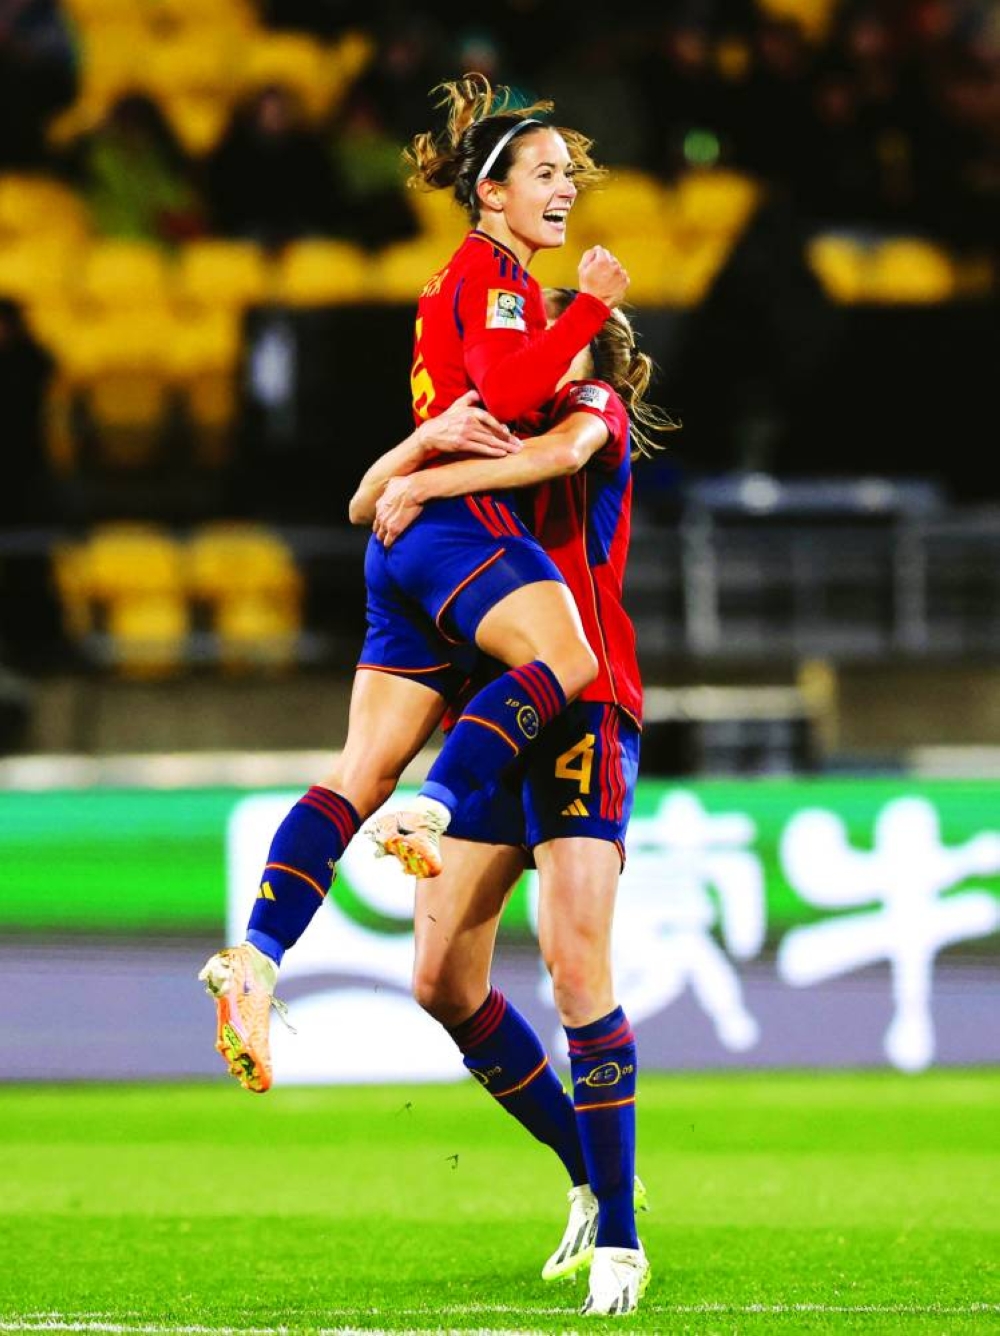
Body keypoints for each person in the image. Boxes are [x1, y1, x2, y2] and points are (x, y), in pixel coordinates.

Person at [199, 73, 627, 1095]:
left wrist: (406, 462)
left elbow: (393, 471)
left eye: (569, 172)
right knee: (569, 654)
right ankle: (434, 808)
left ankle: (255, 953)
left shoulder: (455, 283)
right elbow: (518, 389)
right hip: (455, 537)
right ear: (492, 194)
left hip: (402, 547)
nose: (562, 189)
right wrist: (593, 311)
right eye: (542, 172)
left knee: (357, 770)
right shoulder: (498, 278)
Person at [366, 289, 676, 1318]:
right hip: (499, 710)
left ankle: (623, 1244)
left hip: (582, 703)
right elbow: (367, 505)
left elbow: (551, 460)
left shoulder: (589, 404)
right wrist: (409, 460)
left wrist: (434, 470)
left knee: (573, 962)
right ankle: (592, 1174)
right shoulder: (483, 419)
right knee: (439, 980)